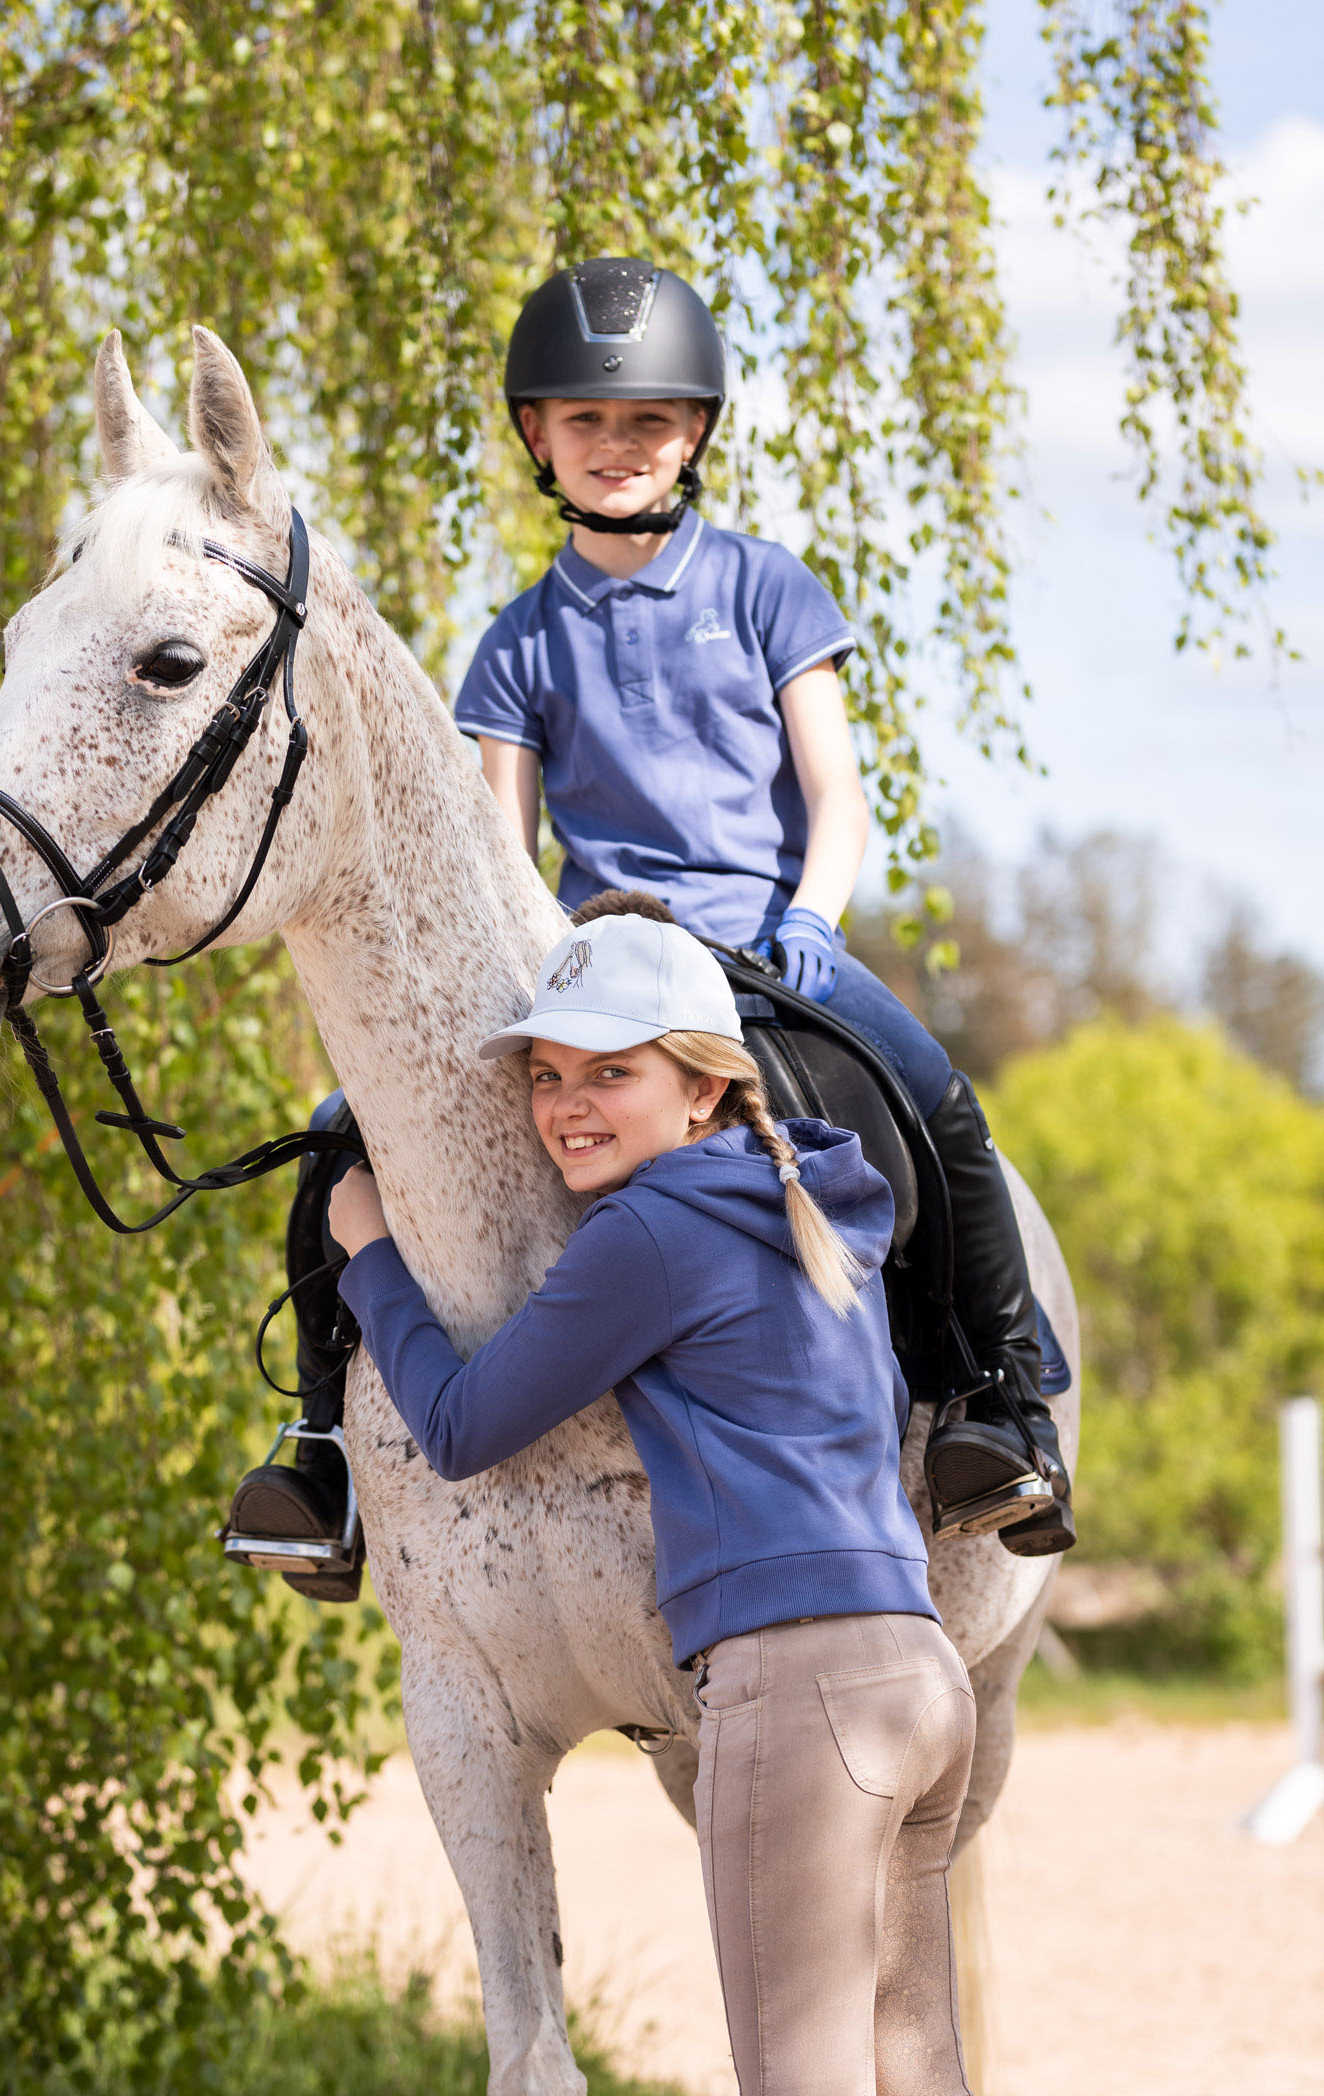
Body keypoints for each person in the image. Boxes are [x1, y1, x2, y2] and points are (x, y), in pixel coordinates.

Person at [324, 908, 1084, 2096]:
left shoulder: (650, 1233)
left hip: (796, 1701)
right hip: (918, 1682)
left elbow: (470, 1425)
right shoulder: (818, 1209)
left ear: (709, 1082)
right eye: (546, 1076)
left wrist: (368, 1263)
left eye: (610, 1069)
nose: (566, 1104)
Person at [451, 255, 1073, 1560]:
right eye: (587, 422)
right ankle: (329, 1452)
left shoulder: (769, 589)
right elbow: (508, 859)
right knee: (360, 1131)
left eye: (645, 422)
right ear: (536, 437)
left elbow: (834, 797)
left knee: (935, 1090)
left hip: (774, 941)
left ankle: (1004, 1397)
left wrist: (814, 915)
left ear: (694, 434)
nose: (616, 445)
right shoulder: (515, 643)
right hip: (609, 955)